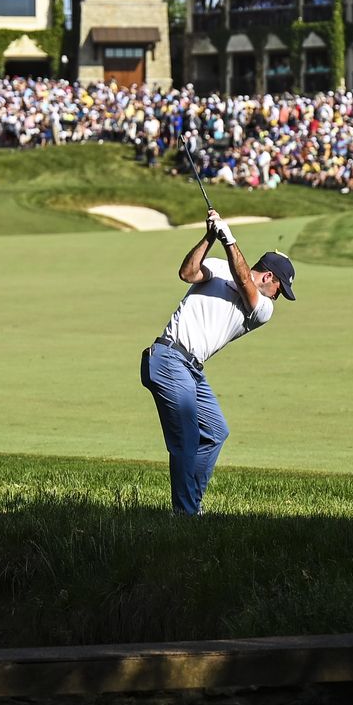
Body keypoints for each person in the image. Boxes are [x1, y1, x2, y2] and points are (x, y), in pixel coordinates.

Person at [140, 209, 295, 514]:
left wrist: (229, 238)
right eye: (281, 290)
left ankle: (189, 507)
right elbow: (188, 273)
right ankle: (185, 516)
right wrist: (210, 236)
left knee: (215, 431)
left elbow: (245, 285)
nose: (278, 297)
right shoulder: (218, 267)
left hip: (191, 368)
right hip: (170, 357)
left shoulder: (263, 309)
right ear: (269, 276)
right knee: (185, 440)